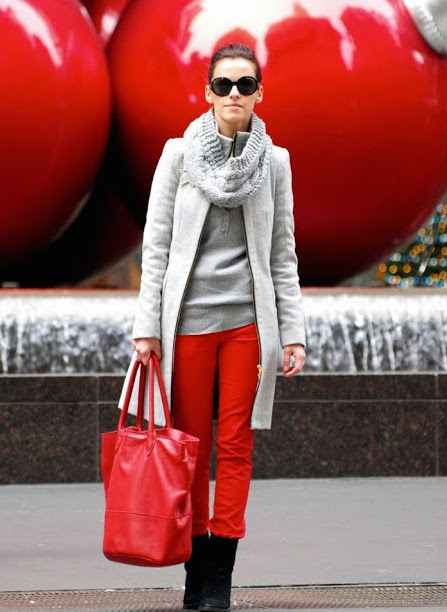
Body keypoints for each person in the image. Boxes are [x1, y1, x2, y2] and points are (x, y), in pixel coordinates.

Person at [131, 43, 306, 612]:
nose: (235, 94)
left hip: (247, 327)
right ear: (208, 92)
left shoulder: (274, 162)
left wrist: (294, 332)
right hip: (187, 324)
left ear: (260, 94)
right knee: (191, 448)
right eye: (225, 84)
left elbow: (282, 256)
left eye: (246, 85)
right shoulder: (178, 156)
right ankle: (194, 571)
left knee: (234, 447)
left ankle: (218, 580)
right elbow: (154, 249)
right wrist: (146, 328)